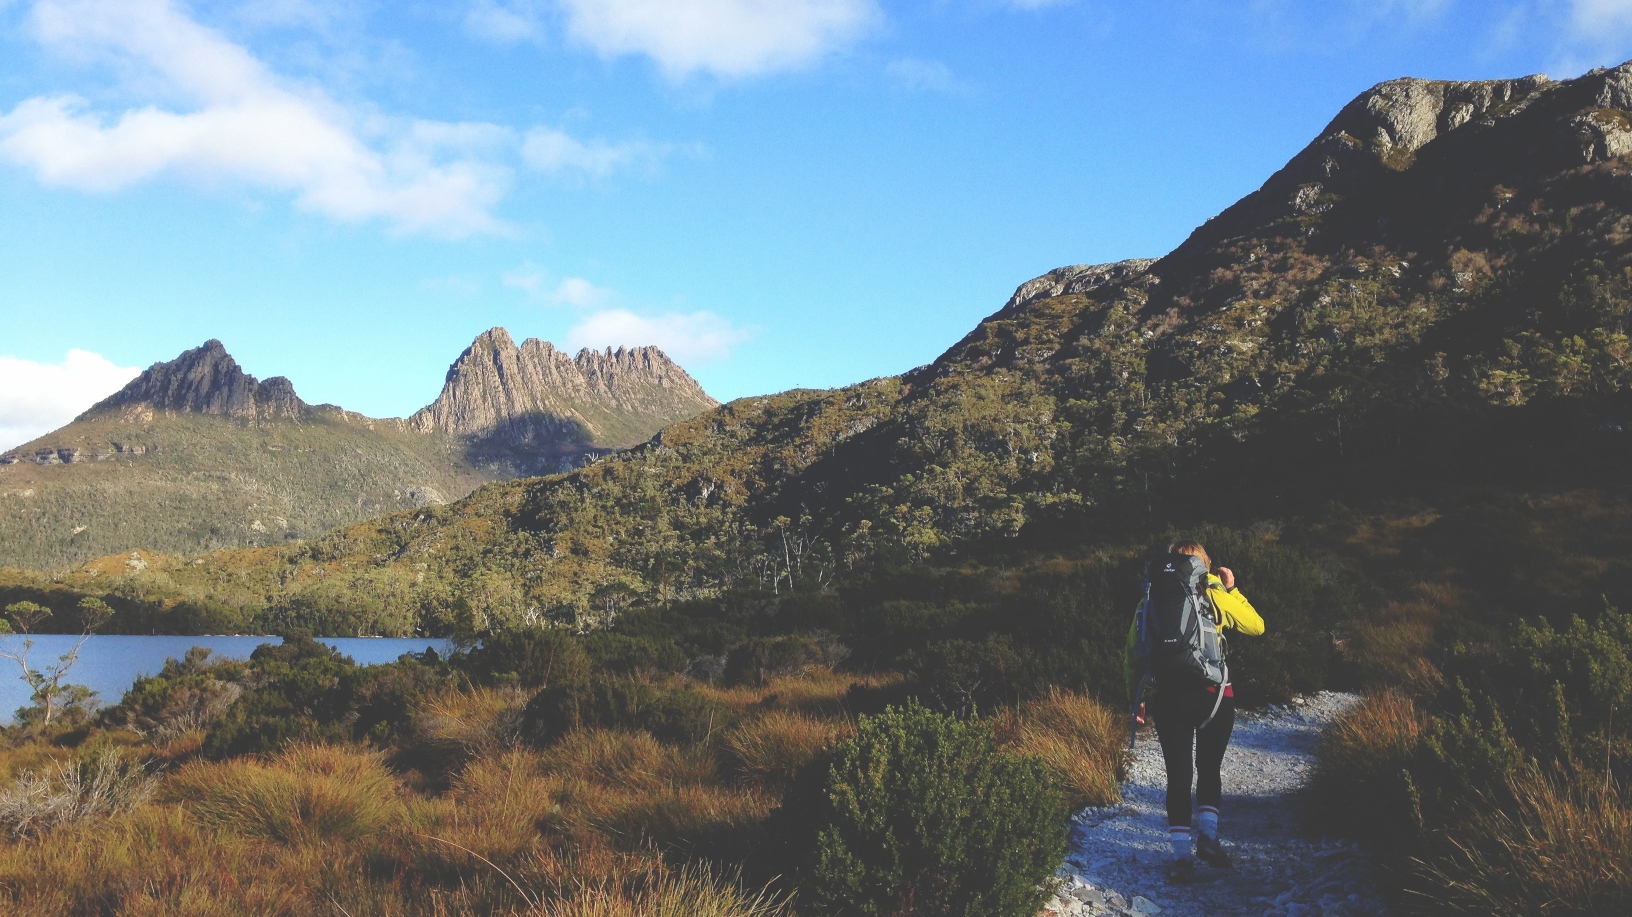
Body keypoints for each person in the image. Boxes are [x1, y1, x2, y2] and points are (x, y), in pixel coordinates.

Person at [1124, 540, 1264, 881]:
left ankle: (1181, 858)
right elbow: (1256, 626)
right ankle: (1209, 839)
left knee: (1178, 775)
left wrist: (1135, 699)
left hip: (1168, 696)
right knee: (1209, 768)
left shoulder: (1150, 598)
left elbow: (1133, 652)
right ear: (1204, 566)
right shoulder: (1213, 593)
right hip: (1214, 696)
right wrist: (1230, 590)